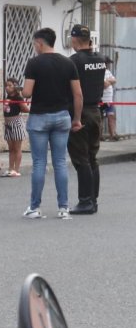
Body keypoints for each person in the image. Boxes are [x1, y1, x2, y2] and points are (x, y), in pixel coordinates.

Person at [21, 27, 83, 220]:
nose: (34, 47)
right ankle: (63, 208)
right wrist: (77, 119)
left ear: (40, 43)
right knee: (60, 163)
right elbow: (78, 94)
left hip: (39, 116)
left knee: (39, 163)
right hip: (62, 116)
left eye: (35, 44)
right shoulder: (68, 63)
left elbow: (27, 93)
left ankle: (35, 207)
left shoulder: (34, 63)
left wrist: (20, 91)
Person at [68, 24, 107, 215]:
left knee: (81, 158)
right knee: (92, 157)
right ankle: (93, 199)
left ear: (74, 40)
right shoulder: (100, 59)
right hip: (96, 112)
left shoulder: (74, 61)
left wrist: (74, 117)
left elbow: (73, 91)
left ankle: (85, 201)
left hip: (80, 112)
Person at [3, 77, 27, 178]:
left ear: (15, 87)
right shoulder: (7, 96)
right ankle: (10, 168)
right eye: (6, 86)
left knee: (17, 148)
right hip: (7, 124)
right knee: (11, 148)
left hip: (16, 122)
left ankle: (16, 170)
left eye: (10, 86)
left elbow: (25, 109)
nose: (7, 88)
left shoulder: (18, 98)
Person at [102, 57, 119, 141]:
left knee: (111, 116)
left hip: (109, 99)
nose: (107, 65)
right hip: (101, 100)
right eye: (106, 63)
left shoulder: (108, 72)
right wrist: (109, 82)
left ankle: (112, 135)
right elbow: (104, 84)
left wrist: (108, 81)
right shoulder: (98, 72)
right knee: (99, 119)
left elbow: (114, 80)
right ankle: (99, 136)